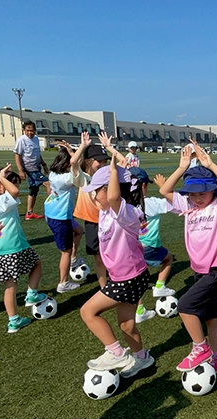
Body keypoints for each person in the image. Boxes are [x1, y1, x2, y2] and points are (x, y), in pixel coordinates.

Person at [80, 132, 154, 378]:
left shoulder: (127, 213)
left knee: (88, 312)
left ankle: (116, 353)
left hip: (128, 278)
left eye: (97, 191)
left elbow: (113, 196)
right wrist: (111, 163)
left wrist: (113, 172)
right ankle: (142, 358)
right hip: (126, 276)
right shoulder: (104, 211)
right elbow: (107, 195)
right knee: (127, 325)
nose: (94, 195)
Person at [159, 139, 217, 373]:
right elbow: (164, 190)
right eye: (193, 193)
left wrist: (210, 165)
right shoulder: (187, 206)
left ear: (213, 190)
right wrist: (182, 167)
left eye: (203, 192)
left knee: (184, 305)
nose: (198, 197)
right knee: (210, 316)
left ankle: (200, 348)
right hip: (199, 270)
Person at [0, 164, 48, 333]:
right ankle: (32, 293)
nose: (17, 187)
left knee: (10, 286)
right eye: (13, 183)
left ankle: (13, 321)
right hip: (14, 246)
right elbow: (14, 192)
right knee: (36, 263)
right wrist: (2, 177)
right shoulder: (2, 201)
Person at [128, 167, 176, 324]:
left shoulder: (125, 205)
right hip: (149, 246)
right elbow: (173, 203)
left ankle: (139, 311)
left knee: (138, 278)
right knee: (168, 259)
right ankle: (160, 287)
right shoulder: (151, 203)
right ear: (143, 186)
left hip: (132, 247)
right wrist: (165, 188)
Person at [44, 135, 88, 293]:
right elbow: (77, 165)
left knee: (79, 231)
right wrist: (82, 147)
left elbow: (75, 163)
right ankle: (63, 283)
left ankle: (73, 258)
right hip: (59, 218)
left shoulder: (53, 174)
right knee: (65, 252)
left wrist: (70, 151)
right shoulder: (66, 179)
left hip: (53, 212)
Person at [73, 143, 110, 288]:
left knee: (111, 255)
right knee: (98, 258)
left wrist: (109, 147)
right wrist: (82, 146)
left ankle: (117, 280)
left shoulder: (108, 175)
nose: (103, 164)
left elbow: (124, 163)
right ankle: (104, 287)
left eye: (105, 161)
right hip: (92, 222)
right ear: (89, 161)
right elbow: (73, 162)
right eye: (99, 161)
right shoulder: (84, 178)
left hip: (108, 220)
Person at [14, 121, 50, 220]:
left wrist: (43, 164)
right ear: (24, 130)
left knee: (33, 190)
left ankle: (29, 213)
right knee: (48, 184)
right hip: (30, 169)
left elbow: (38, 154)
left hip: (37, 167)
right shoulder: (21, 140)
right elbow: (17, 155)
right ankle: (54, 208)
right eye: (27, 130)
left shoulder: (36, 139)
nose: (30, 133)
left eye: (32, 130)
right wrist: (20, 170)